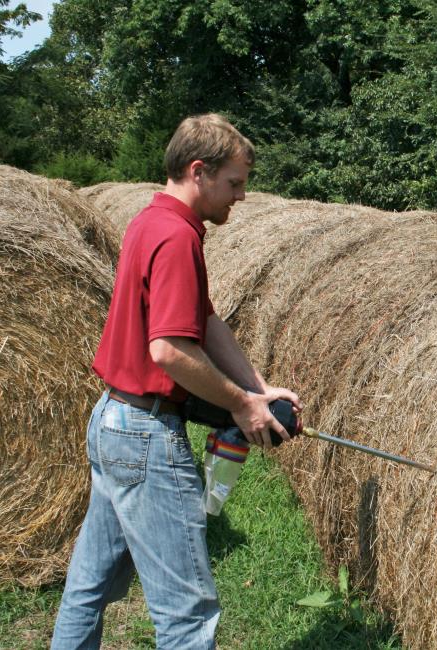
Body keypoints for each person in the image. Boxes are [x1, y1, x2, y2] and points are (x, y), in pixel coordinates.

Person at [51, 113, 301, 649]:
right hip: (143, 436)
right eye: (234, 183)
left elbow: (204, 321)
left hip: (112, 422)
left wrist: (259, 389)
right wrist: (240, 406)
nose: (241, 196)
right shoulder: (176, 237)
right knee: (187, 615)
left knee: (87, 590)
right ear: (198, 172)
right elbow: (168, 349)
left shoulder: (151, 222)